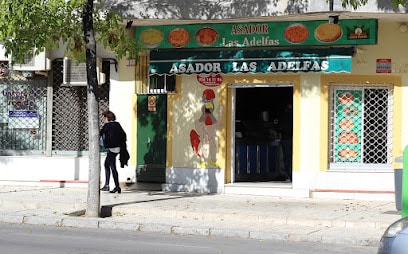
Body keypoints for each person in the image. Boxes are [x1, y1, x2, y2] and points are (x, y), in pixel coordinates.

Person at [100, 110, 127, 193]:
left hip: (112, 149)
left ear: (107, 117)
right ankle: (109, 185)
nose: (103, 119)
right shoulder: (117, 124)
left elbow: (100, 133)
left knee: (112, 167)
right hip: (118, 149)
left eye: (104, 117)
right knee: (107, 165)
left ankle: (115, 186)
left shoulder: (107, 125)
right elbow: (124, 135)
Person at [279, 103, 293, 182]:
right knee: (290, 158)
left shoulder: (284, 116)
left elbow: (279, 127)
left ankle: (288, 175)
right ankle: (290, 175)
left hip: (286, 139)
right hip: (291, 139)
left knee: (287, 158)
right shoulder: (293, 115)